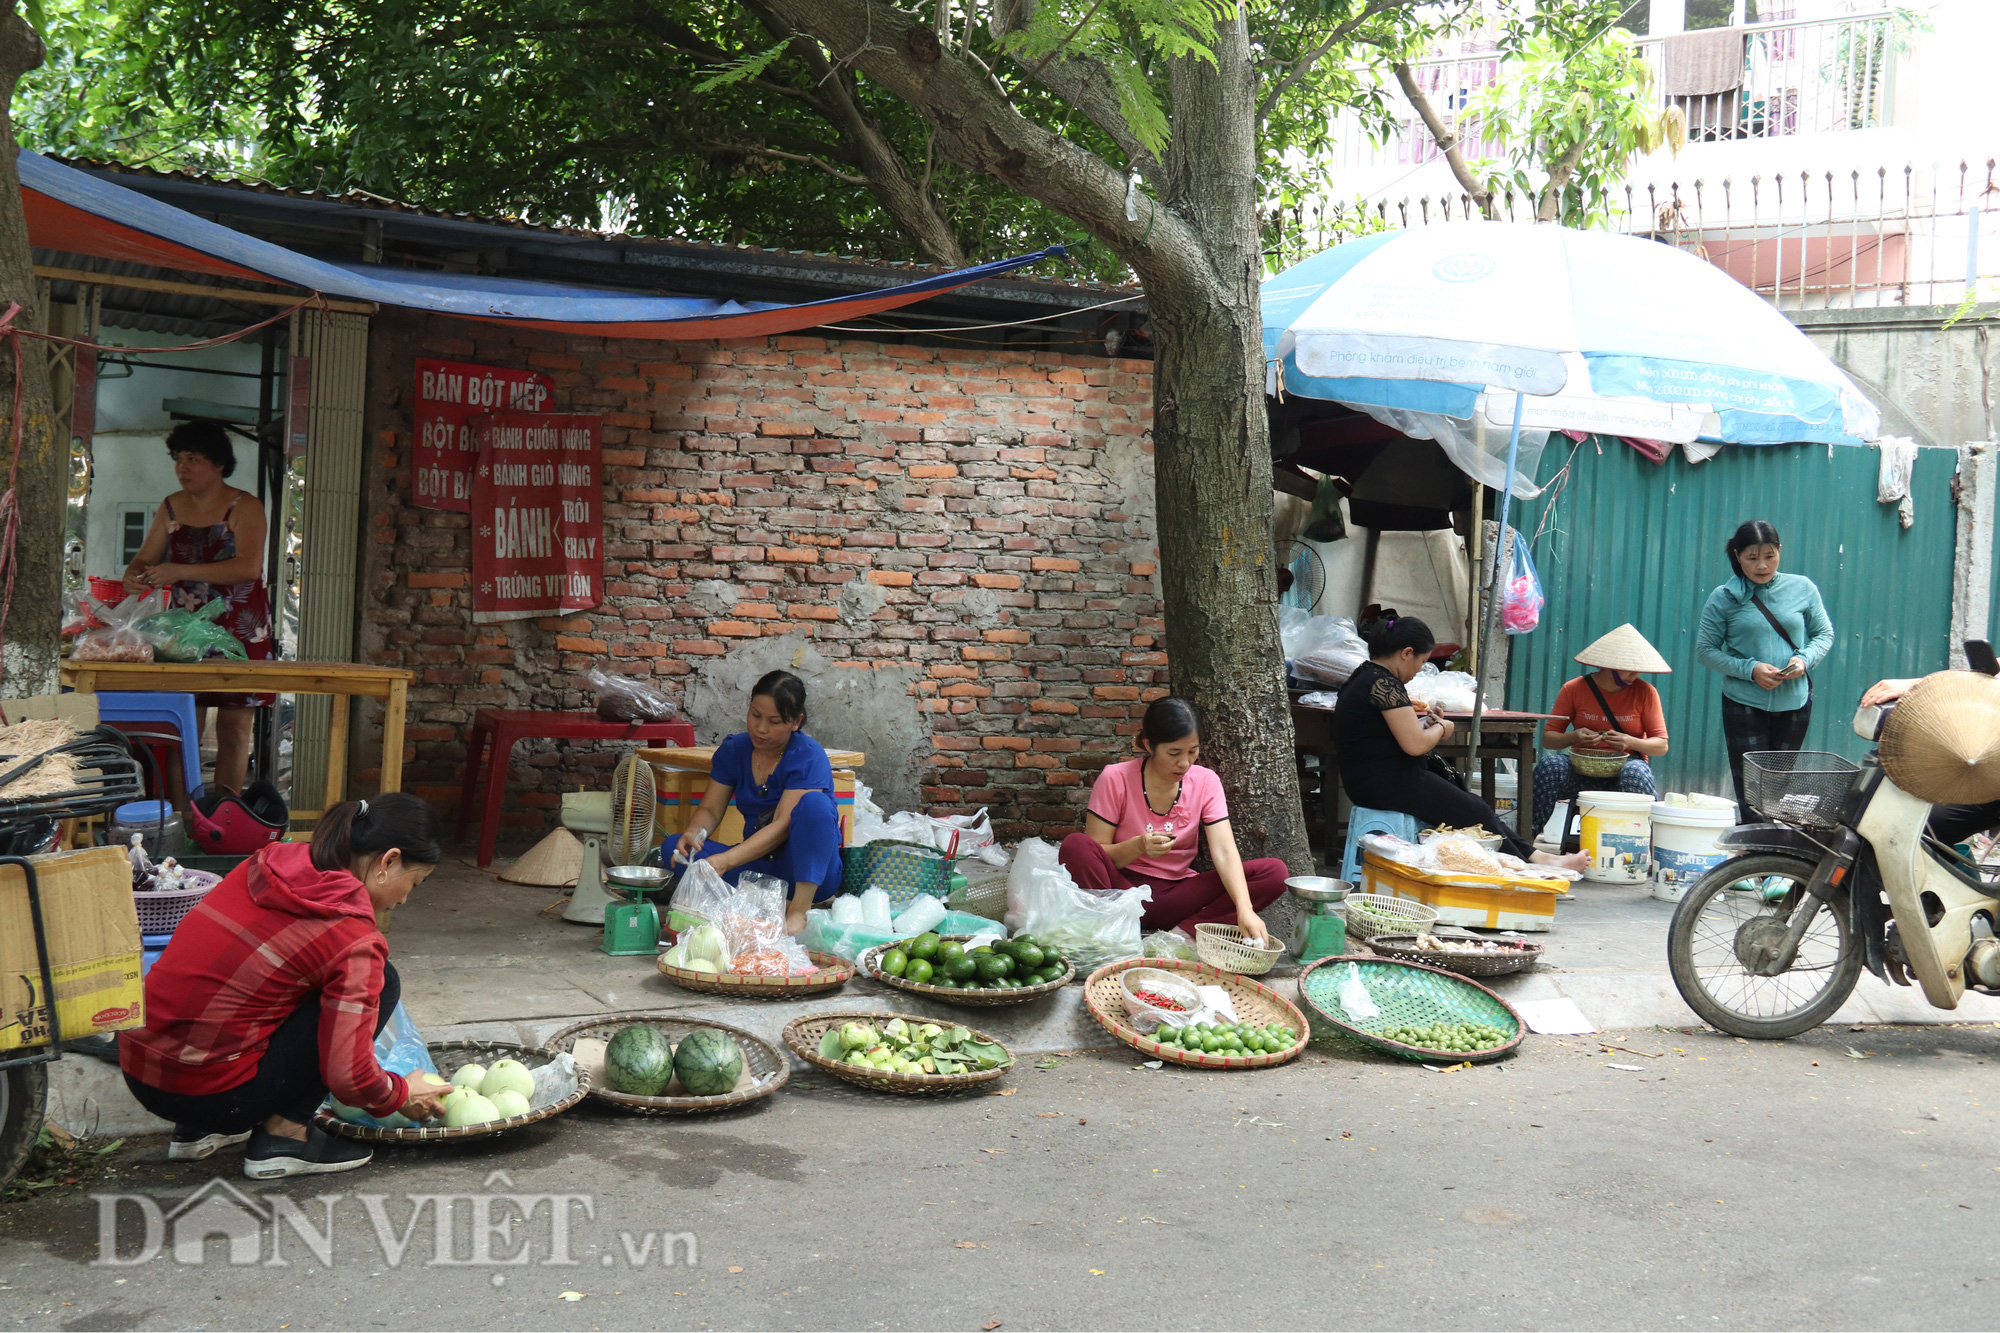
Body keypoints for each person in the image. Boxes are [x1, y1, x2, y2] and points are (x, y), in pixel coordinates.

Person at [119, 794, 449, 1180]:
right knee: (384, 981)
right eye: (415, 882)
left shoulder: (267, 862)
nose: (406, 897)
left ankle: (197, 1132)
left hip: (141, 1071)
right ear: (388, 861)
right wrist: (399, 1094)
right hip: (212, 1095)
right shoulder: (353, 936)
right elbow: (350, 1078)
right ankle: (286, 1135)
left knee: (269, 985)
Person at [1335, 610, 1587, 870]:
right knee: (1474, 812)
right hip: (1386, 782)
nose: (1419, 670)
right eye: (1421, 661)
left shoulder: (1363, 677)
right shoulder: (1386, 685)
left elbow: (1384, 733)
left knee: (1475, 806)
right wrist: (1444, 728)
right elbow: (1416, 745)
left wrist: (1425, 724)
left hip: (1368, 779)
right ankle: (1534, 866)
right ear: (1406, 653)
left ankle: (1540, 859)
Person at [122, 418, 276, 795]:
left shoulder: (245, 505)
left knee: (235, 730)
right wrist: (136, 575)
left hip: (241, 628)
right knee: (183, 727)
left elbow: (248, 567)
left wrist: (178, 570)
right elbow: (143, 559)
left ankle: (224, 816)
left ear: (219, 463)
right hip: (184, 632)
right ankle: (181, 816)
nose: (182, 468)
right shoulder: (170, 506)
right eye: (177, 459)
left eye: (193, 458)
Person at [1058, 697, 1288, 940]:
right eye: (1174, 752)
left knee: (1275, 872)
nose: (1184, 762)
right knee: (1076, 845)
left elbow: (1224, 851)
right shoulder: (1115, 778)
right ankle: (1115, 932)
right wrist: (1138, 846)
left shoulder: (1206, 781)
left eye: (1193, 751)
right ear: (1149, 745)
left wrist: (1245, 908)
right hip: (1122, 893)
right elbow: (1097, 855)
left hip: (1178, 896)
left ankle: (1183, 935)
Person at [672, 670, 845, 936]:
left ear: (796, 722)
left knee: (816, 805)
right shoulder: (734, 750)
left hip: (805, 871)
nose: (761, 728)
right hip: (759, 864)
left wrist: (726, 861)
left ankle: (798, 909)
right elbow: (710, 809)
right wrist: (695, 834)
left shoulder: (808, 756)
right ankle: (770, 903)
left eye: (774, 721)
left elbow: (780, 827)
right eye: (755, 715)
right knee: (674, 850)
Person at [1696, 520, 1834, 817]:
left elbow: (1824, 635)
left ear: (1780, 551)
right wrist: (1751, 669)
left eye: (1770, 556)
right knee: (1752, 789)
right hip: (1743, 703)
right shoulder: (1723, 598)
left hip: (1795, 702)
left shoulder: (1803, 588)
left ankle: (1774, 853)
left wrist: (1803, 660)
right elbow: (1705, 652)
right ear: (1736, 555)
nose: (1762, 565)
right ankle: (1752, 853)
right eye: (1752, 558)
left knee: (1779, 787)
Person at [1533, 623, 1672, 817]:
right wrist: (1574, 737)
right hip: (1581, 767)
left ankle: (1647, 837)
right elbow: (1549, 739)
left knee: (1636, 774)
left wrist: (1630, 742)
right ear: (1609, 666)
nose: (1635, 675)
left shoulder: (1646, 692)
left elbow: (1661, 745)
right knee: (1549, 767)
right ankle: (1529, 837)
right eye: (1628, 669)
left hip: (1627, 766)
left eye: (1638, 669)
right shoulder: (1574, 689)